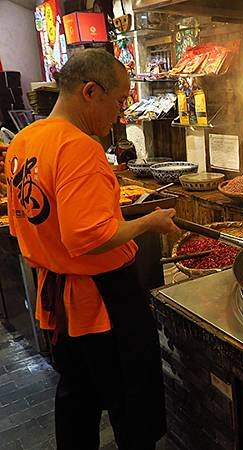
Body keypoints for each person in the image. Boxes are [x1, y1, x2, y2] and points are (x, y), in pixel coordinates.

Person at [4, 48, 178, 450]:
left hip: (58, 296)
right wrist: (149, 222)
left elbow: (23, 223)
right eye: (118, 101)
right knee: (132, 399)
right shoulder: (78, 147)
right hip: (100, 298)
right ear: (90, 91)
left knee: (77, 395)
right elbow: (87, 236)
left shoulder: (24, 141)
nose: (120, 114)